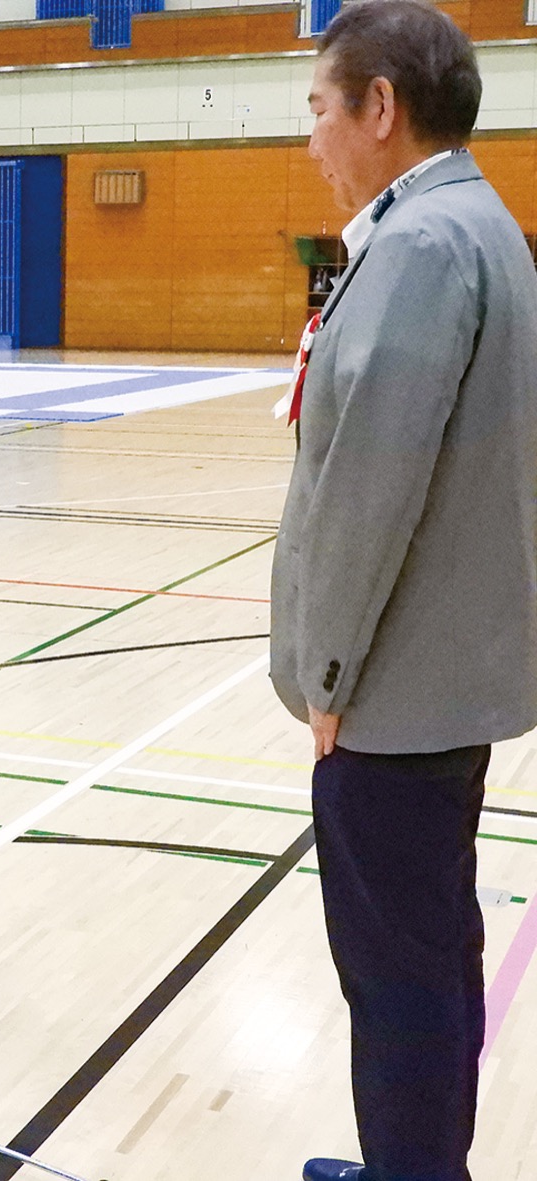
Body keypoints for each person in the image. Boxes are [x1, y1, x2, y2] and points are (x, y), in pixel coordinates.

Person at [268, 4, 537, 1179]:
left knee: (399, 974)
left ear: (381, 108)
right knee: (427, 950)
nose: (314, 136)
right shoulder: (479, 224)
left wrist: (328, 679)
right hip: (445, 674)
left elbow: (371, 486)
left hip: (392, 692)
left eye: (322, 108)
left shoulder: (422, 245)